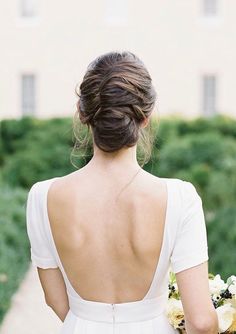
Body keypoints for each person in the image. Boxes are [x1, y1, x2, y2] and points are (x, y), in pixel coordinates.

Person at [26, 51, 218, 333]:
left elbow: (55, 300)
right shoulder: (180, 198)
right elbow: (201, 322)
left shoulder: (42, 197)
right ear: (146, 117)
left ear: (83, 114)